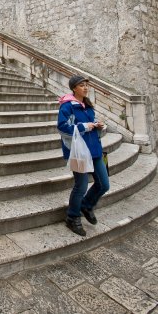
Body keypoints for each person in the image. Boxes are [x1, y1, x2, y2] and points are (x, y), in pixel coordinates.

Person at [57, 75, 110, 236]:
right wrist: (84, 126)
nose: (85, 88)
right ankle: (72, 217)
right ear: (74, 88)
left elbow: (92, 126)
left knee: (104, 184)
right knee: (80, 186)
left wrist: (99, 126)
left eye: (87, 85)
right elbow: (62, 127)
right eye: (82, 85)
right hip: (78, 152)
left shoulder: (87, 105)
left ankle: (86, 205)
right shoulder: (67, 107)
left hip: (95, 150)